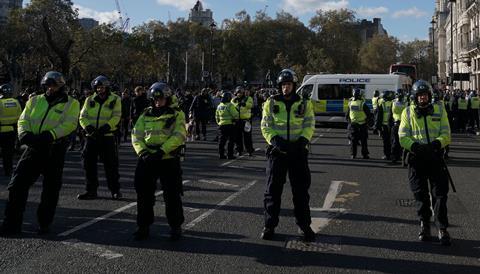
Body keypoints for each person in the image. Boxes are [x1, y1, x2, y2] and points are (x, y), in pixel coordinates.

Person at [0, 71, 80, 235]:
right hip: (33, 148)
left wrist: (50, 135)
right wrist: (23, 133)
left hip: (54, 150)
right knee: (17, 186)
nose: (50, 88)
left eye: (54, 85)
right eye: (47, 85)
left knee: (50, 190)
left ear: (61, 85)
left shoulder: (71, 103)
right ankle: (11, 224)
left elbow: (70, 123)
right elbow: (24, 118)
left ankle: (44, 223)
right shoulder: (35, 99)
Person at [260, 69, 316, 242]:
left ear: (294, 86)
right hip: (277, 152)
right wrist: (275, 140)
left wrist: (303, 141)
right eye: (283, 85)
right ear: (279, 86)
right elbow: (265, 125)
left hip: (298, 152)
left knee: (300, 192)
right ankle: (269, 225)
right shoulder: (270, 102)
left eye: (289, 85)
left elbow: (309, 124)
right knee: (272, 191)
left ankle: (304, 225)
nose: (286, 88)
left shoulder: (305, 103)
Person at [399, 80, 452, 246]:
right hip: (417, 159)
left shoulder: (440, 109)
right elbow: (402, 136)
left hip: (435, 158)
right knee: (420, 196)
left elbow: (446, 133)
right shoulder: (407, 113)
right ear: (415, 97)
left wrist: (437, 144)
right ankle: (424, 225)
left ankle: (442, 228)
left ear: (430, 96)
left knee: (440, 196)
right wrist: (414, 146)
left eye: (425, 95)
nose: (423, 98)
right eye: (420, 96)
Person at [131, 82, 186, 241]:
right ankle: (143, 226)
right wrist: (142, 152)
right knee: (143, 195)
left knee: (172, 195)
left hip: (167, 159)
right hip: (147, 158)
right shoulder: (145, 114)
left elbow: (179, 135)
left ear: (167, 99)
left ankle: (175, 227)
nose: (157, 102)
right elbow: (136, 134)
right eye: (155, 99)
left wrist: (162, 151)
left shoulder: (176, 114)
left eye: (161, 99)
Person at [77, 76, 122, 200]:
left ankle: (115, 190)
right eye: (98, 88)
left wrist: (107, 127)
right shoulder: (89, 99)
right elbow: (82, 116)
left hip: (107, 136)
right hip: (91, 137)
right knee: (88, 164)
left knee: (111, 165)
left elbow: (116, 115)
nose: (100, 90)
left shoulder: (115, 99)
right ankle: (91, 190)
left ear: (107, 88)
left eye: (102, 87)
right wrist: (88, 127)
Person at [0, 83, 22, 176]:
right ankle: (8, 171)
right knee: (8, 153)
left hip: (1, 130)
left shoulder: (0, 102)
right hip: (11, 131)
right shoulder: (16, 102)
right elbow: (20, 116)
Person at [345, 88, 372, 159]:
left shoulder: (350, 103)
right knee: (364, 141)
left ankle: (353, 155)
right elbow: (369, 115)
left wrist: (349, 122)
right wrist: (369, 123)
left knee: (353, 141)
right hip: (362, 125)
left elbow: (347, 115)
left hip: (353, 125)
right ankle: (365, 155)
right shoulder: (362, 104)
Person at [215, 91, 239, 159]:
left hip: (221, 125)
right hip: (230, 125)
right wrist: (236, 120)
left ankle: (221, 154)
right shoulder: (230, 105)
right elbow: (235, 115)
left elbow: (216, 116)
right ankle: (230, 155)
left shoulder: (219, 106)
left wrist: (219, 123)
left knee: (222, 141)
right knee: (231, 141)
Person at [232, 86, 254, 156]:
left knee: (247, 137)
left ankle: (249, 150)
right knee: (238, 136)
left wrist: (244, 104)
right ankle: (239, 150)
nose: (239, 94)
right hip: (237, 120)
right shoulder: (234, 99)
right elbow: (231, 106)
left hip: (246, 120)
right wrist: (236, 103)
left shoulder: (248, 98)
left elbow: (250, 105)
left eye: (241, 92)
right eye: (238, 92)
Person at [375, 90, 394, 160]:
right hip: (392, 125)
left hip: (385, 125)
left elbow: (378, 116)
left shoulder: (382, 103)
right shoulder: (393, 103)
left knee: (386, 141)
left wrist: (377, 126)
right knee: (392, 140)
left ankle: (387, 155)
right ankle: (394, 154)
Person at [391, 89, 406, 163]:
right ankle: (399, 157)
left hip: (397, 124)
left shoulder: (393, 102)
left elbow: (391, 114)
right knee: (401, 142)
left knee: (396, 142)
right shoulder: (406, 102)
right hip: (402, 124)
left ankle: (395, 157)